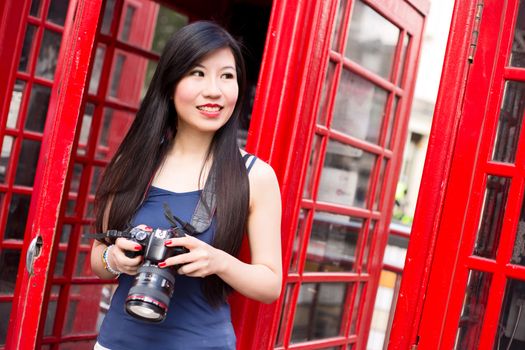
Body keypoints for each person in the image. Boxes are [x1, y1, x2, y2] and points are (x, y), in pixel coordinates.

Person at [90, 21, 282, 350]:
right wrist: (115, 259)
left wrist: (218, 261)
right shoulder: (133, 165)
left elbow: (271, 283)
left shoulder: (255, 175)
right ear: (170, 82)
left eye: (227, 76)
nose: (214, 90)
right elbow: (98, 259)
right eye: (197, 73)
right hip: (117, 343)